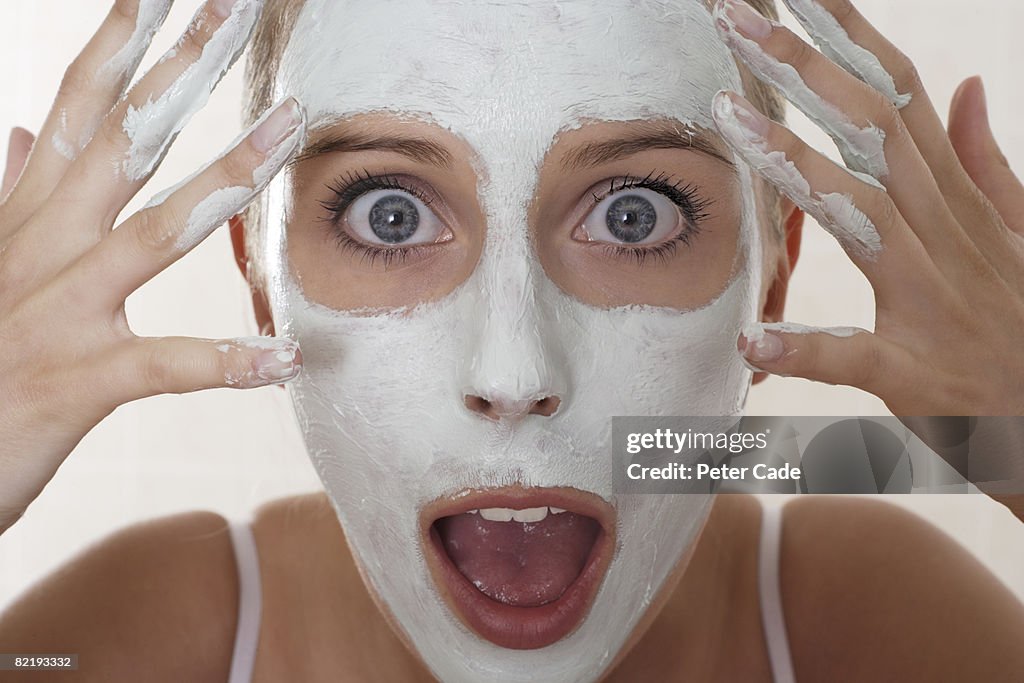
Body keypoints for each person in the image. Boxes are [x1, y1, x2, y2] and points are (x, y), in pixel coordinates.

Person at [1, 0, 1022, 681]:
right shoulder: (148, 635)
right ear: (260, 280)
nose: (513, 374)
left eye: (634, 215)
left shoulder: (863, 611)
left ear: (774, 265)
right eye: (388, 215)